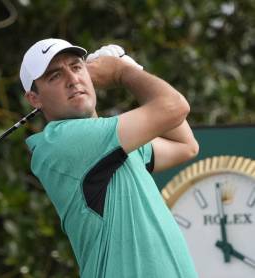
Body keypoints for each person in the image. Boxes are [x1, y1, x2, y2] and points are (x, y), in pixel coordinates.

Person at [20, 38, 199, 278]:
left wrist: (132, 70)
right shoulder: (61, 142)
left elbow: (185, 145)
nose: (72, 80)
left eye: (76, 67)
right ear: (34, 99)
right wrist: (123, 72)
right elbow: (174, 107)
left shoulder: (115, 142)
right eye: (55, 76)